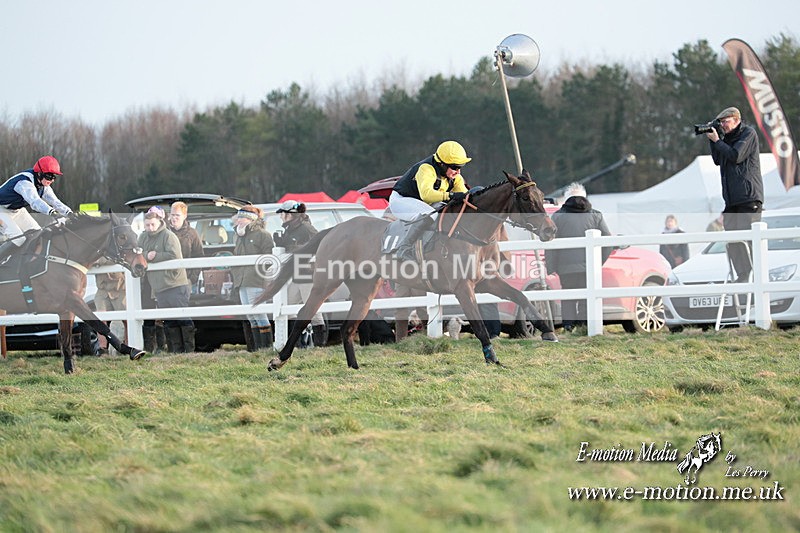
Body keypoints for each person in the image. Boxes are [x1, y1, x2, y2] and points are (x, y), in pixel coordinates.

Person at [706, 106, 764, 282]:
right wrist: (712, 139)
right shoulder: (726, 139)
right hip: (731, 201)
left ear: (736, 120)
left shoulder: (748, 133)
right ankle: (743, 275)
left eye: (726, 121)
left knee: (749, 239)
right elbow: (718, 159)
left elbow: (736, 155)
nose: (723, 125)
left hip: (748, 198)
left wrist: (717, 141)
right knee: (733, 240)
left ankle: (756, 276)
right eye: (721, 122)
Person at [389, 140, 470, 261]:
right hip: (401, 200)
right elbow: (426, 195)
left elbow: (465, 196)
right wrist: (451, 195)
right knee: (429, 214)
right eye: (455, 167)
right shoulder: (426, 169)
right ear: (442, 164)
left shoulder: (455, 177)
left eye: (460, 167)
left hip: (422, 203)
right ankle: (403, 249)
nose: (458, 171)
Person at [548, 186, 612, 332]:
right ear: (585, 197)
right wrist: (598, 262)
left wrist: (552, 267)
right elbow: (608, 242)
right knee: (586, 298)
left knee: (568, 297)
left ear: (566, 198)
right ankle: (584, 326)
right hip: (588, 266)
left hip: (565, 267)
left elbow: (551, 244)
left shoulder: (558, 216)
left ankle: (569, 326)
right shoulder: (596, 215)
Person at [138, 210, 195, 353]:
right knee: (169, 321)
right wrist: (147, 255)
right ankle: (175, 351)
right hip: (158, 287)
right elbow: (138, 253)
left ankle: (189, 351)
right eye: (147, 225)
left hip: (175, 283)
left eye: (152, 224)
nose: (150, 227)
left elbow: (174, 255)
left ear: (159, 222)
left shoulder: (168, 236)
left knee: (182, 319)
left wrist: (154, 256)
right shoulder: (143, 237)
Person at [0, 156, 73, 262]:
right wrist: (52, 212)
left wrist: (69, 213)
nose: (51, 180)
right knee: (18, 239)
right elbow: (35, 202)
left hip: (16, 210)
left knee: (37, 234)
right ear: (39, 173)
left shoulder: (43, 186)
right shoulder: (24, 183)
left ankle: (19, 263)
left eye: (54, 177)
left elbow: (55, 202)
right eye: (49, 176)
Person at [273, 200, 326, 346]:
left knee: (312, 308)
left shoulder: (306, 228)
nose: (281, 216)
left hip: (307, 273)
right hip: (297, 273)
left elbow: (320, 243)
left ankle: (319, 344)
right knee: (288, 305)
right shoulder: (290, 228)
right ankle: (296, 343)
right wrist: (281, 243)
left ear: (292, 214)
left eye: (283, 213)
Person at [231, 205, 274, 350]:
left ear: (250, 219)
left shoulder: (262, 235)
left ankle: (266, 347)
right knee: (250, 315)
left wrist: (258, 272)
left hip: (255, 279)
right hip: (241, 279)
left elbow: (269, 258)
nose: (238, 221)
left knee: (259, 313)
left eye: (242, 218)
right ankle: (256, 348)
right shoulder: (237, 235)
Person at [93, 256, 127, 354]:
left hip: (119, 288)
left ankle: (128, 345)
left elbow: (117, 258)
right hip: (102, 289)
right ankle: (103, 349)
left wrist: (100, 261)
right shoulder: (95, 247)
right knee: (100, 319)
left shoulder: (113, 243)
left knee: (126, 319)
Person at [168, 201, 204, 290]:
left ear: (185, 216)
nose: (174, 218)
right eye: (172, 215)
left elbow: (199, 256)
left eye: (177, 215)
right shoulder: (165, 233)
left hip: (186, 280)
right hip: (167, 280)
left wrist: (192, 279)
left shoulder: (192, 233)